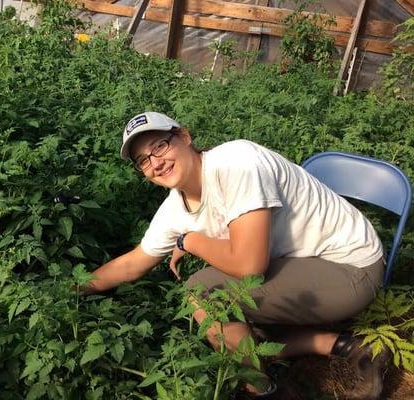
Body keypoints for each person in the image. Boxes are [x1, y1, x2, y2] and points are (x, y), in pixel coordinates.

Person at [85, 111, 391, 399]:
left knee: (205, 293)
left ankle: (258, 389)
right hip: (304, 264)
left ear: (185, 136)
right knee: (234, 333)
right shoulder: (174, 208)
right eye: (144, 160)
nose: (156, 162)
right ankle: (344, 345)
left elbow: (249, 266)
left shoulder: (236, 162)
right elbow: (131, 264)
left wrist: (190, 241)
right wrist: (75, 287)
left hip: (352, 267)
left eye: (160, 146)